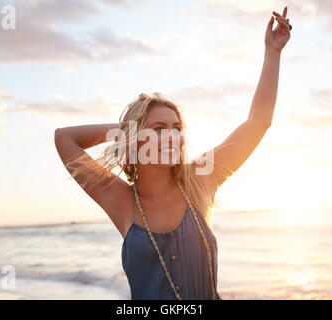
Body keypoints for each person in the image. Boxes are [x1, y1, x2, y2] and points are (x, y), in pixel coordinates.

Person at [54, 7, 291, 300]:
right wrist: (128, 128)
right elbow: (64, 138)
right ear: (137, 137)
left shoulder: (201, 178)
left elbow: (258, 122)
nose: (171, 136)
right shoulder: (120, 199)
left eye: (176, 128)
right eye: (158, 128)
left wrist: (273, 51)